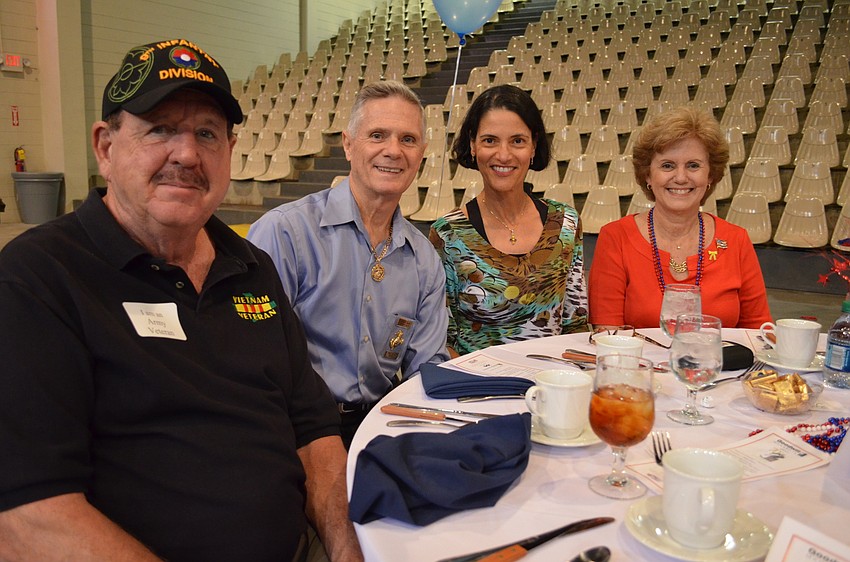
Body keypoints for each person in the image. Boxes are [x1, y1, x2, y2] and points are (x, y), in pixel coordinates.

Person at [0, 39, 362, 562]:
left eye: (207, 134)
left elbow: (312, 431)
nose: (187, 154)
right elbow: (26, 518)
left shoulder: (251, 266)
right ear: (105, 146)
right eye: (161, 128)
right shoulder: (39, 279)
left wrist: (347, 547)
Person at [247, 81, 449, 445]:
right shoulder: (286, 233)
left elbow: (426, 369)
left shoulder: (424, 260)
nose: (393, 151)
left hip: (380, 424)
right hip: (291, 428)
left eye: (408, 139)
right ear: (348, 144)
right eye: (377, 135)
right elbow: (254, 360)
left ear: (422, 153)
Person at [429, 84, 589, 356]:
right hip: (478, 389)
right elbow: (444, 342)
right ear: (473, 144)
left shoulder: (566, 224)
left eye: (517, 141)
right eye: (490, 140)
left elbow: (576, 325)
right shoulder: (447, 234)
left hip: (550, 386)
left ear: (534, 145)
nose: (503, 155)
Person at [588, 105, 771, 329]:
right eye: (668, 165)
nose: (681, 177)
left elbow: (757, 334)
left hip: (718, 363)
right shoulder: (616, 237)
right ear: (648, 174)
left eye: (693, 165)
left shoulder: (736, 240)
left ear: (710, 174)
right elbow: (608, 334)